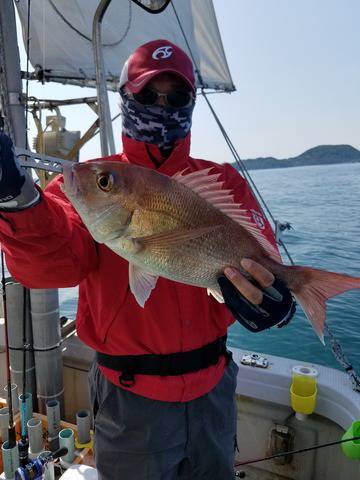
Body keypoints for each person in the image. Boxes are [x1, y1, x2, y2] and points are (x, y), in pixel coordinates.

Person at [0, 39, 295, 479]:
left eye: (176, 97)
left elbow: (264, 262)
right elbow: (52, 260)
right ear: (125, 100)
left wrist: (279, 301)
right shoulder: (97, 180)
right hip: (129, 399)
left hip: (214, 389)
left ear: (192, 104)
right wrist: (16, 197)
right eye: (146, 95)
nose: (162, 106)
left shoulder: (224, 182)